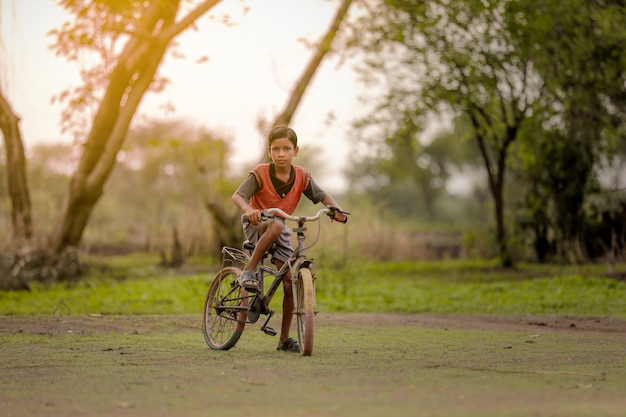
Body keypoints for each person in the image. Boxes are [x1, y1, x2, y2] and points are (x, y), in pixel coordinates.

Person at [232, 125, 348, 352]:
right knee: (275, 223)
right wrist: (248, 210)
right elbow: (238, 196)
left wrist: (336, 209)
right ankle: (250, 269)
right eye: (276, 149)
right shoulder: (261, 173)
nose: (281, 154)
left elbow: (322, 195)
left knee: (288, 283)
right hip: (259, 223)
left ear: (296, 150)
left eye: (286, 149)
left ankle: (284, 339)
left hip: (281, 228)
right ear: (269, 152)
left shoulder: (302, 176)